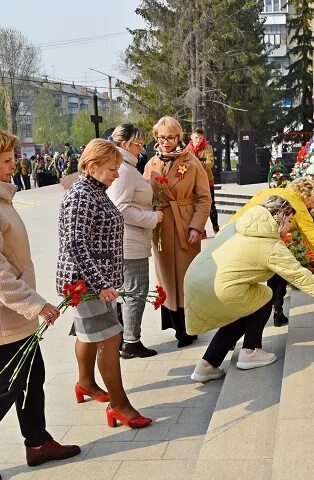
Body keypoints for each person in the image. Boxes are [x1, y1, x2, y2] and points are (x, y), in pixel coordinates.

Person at [185, 196, 314, 381]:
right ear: (280, 218)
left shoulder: (236, 225)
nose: (289, 228)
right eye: (289, 221)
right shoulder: (270, 245)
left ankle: (208, 363)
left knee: (244, 303)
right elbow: (301, 277)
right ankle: (251, 350)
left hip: (196, 279)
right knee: (264, 296)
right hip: (220, 286)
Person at [0, 129, 81, 469]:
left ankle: (38, 442)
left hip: (17, 318)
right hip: (7, 319)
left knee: (32, 378)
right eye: (5, 161)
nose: (12, 166)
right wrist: (36, 304)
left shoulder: (3, 199)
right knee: (7, 387)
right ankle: (38, 442)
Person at [56, 138, 152, 429]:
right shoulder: (82, 196)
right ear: (92, 166)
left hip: (92, 281)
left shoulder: (94, 190)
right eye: (112, 169)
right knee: (110, 339)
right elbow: (76, 244)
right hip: (85, 283)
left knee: (88, 334)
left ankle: (85, 383)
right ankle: (120, 405)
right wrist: (99, 284)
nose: (117, 174)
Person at [230, 177, 314, 327]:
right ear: (306, 196)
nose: (311, 206)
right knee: (274, 283)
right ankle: (275, 313)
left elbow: (244, 211)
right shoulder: (298, 206)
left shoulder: (269, 192)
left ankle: (234, 335)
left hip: (236, 239)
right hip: (263, 246)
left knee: (242, 292)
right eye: (312, 202)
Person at [143, 117, 211, 348]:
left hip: (184, 225)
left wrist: (196, 226)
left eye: (170, 137)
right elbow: (143, 195)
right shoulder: (151, 163)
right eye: (161, 137)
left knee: (185, 277)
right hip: (161, 227)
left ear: (179, 137)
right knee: (166, 277)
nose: (165, 142)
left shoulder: (191, 162)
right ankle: (175, 325)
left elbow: (203, 198)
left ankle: (189, 328)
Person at [107, 124, 162, 359]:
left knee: (130, 292)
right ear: (125, 144)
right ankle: (130, 341)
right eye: (138, 144)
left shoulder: (127, 167)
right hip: (129, 244)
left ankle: (125, 338)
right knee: (135, 293)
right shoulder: (125, 171)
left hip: (131, 241)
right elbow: (119, 209)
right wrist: (152, 217)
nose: (142, 148)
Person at [186, 128, 219, 236]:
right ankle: (201, 230)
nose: (198, 140)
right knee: (196, 206)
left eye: (200, 138)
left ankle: (216, 227)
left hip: (207, 181)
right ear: (191, 137)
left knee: (210, 205)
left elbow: (210, 163)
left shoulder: (208, 148)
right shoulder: (187, 149)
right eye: (196, 137)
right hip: (193, 182)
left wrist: (197, 166)